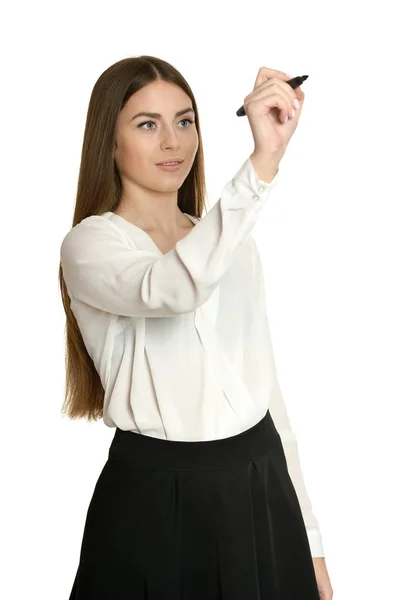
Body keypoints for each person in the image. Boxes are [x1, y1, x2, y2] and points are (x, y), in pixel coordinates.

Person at [59, 56, 333, 599]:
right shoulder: (90, 247)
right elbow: (174, 289)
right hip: (153, 503)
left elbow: (268, 397)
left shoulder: (231, 244)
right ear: (107, 142)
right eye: (147, 124)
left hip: (261, 487)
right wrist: (262, 163)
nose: (172, 142)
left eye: (185, 121)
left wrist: (311, 541)